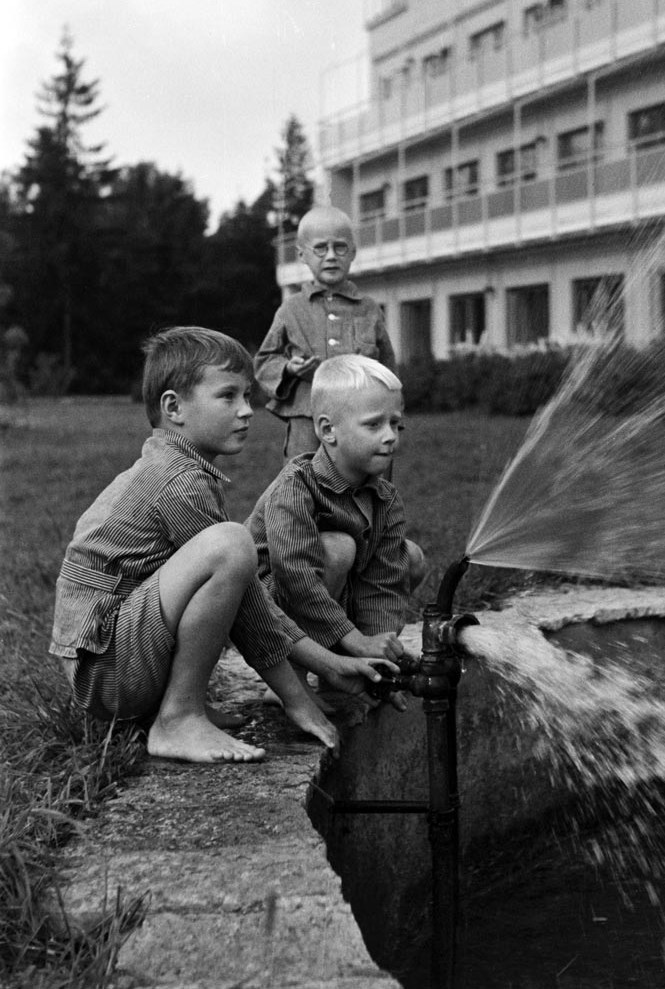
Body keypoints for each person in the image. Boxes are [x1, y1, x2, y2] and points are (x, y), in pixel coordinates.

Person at [49, 326, 396, 764]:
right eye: (228, 397)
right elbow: (250, 607)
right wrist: (303, 690)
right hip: (106, 672)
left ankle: (177, 704)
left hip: (116, 659)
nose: (247, 411)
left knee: (232, 551)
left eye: (248, 396)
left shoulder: (180, 468)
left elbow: (240, 601)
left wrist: (327, 664)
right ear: (173, 407)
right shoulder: (176, 481)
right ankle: (177, 718)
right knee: (232, 545)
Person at [245, 356, 425, 701]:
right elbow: (295, 577)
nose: (390, 437)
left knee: (409, 557)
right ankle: (289, 679)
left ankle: (346, 672)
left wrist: (376, 656)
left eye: (396, 424)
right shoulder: (296, 486)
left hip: (323, 598)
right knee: (339, 548)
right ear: (328, 431)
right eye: (373, 425)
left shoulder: (385, 498)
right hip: (266, 608)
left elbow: (382, 582)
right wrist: (353, 638)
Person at [254, 204, 396, 459]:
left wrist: (392, 417)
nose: (331, 255)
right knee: (303, 484)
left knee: (364, 486)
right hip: (306, 420)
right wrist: (289, 368)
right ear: (302, 254)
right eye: (320, 248)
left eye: (340, 247)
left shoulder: (369, 309)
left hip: (362, 417)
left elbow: (388, 370)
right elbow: (265, 361)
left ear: (352, 252)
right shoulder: (291, 309)